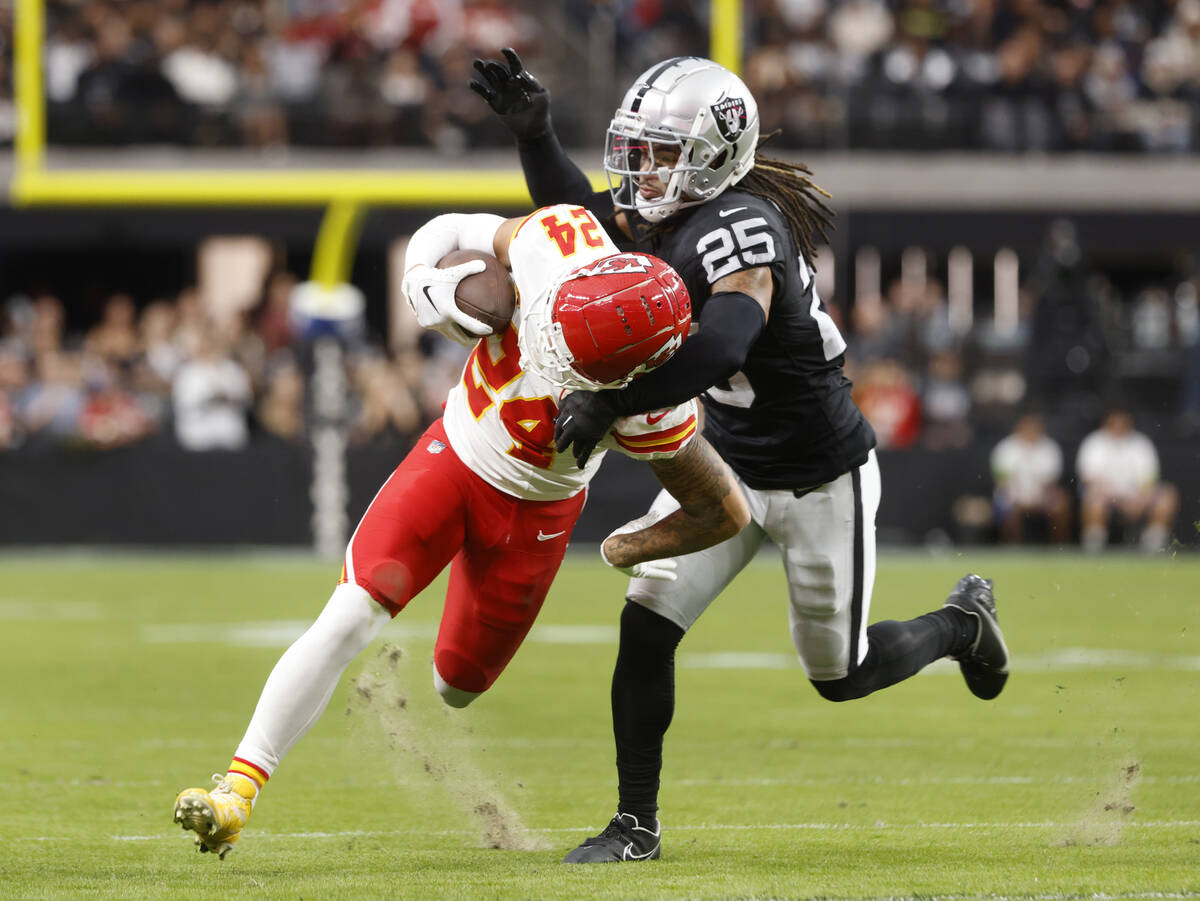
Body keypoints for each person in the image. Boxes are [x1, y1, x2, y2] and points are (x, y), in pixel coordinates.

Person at [471, 51, 1011, 863]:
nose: (641, 169)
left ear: (714, 156)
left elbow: (726, 342)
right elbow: (577, 224)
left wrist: (617, 401)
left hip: (819, 474)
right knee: (646, 623)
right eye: (638, 149)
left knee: (841, 672)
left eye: (659, 151)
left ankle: (961, 624)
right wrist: (536, 135)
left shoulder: (744, 225)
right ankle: (635, 825)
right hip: (724, 466)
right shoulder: (666, 214)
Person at [171, 203, 751, 859]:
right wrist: (424, 277)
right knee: (349, 614)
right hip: (453, 459)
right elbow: (448, 229)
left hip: (537, 516)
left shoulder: (658, 407)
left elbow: (722, 510)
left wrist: (628, 545)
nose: (548, 346)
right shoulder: (555, 244)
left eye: (575, 356)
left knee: (458, 684)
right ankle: (237, 792)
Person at [1076, 407, 1178, 553]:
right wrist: (1117, 499)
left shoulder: (1141, 443)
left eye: (1123, 421)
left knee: (1167, 494)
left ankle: (1153, 546)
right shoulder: (1095, 442)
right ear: (1107, 422)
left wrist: (1141, 499)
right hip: (1106, 497)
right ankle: (1094, 546)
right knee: (1094, 499)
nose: (1119, 424)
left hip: (1136, 498)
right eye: (1115, 421)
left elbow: (1150, 478)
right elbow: (1090, 479)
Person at [990, 413, 1071, 544]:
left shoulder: (1050, 448)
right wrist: (1018, 497)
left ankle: (1060, 546)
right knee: (1007, 506)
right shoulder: (1005, 448)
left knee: (1061, 503)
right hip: (1013, 495)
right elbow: (1001, 482)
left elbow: (1052, 481)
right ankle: (1012, 547)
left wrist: (1039, 498)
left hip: (1043, 496)